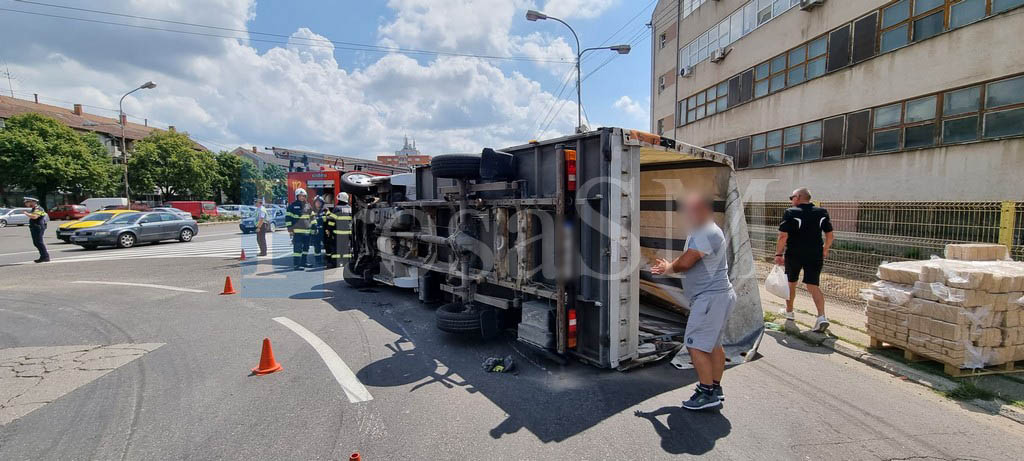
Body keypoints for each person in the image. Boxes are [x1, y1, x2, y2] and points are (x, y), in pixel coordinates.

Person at [651, 193, 736, 411]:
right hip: (715, 297)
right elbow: (688, 258)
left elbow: (687, 262)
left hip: (710, 298)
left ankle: (707, 393)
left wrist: (669, 267)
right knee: (713, 345)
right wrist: (670, 266)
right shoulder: (701, 231)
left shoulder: (708, 232)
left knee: (695, 345)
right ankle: (715, 388)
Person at [774, 187, 834, 332]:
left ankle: (789, 313)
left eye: (792, 197)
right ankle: (821, 317)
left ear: (799, 197)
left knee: (791, 283)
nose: (791, 200)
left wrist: (778, 254)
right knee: (813, 285)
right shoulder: (822, 212)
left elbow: (783, 236)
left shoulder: (791, 212)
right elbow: (830, 234)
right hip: (815, 254)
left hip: (795, 254)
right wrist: (825, 249)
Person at [285, 188, 313, 270]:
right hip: (297, 232)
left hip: (307, 231)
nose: (302, 197)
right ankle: (296, 265)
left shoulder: (308, 205)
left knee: (306, 248)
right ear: (297, 196)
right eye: (300, 196)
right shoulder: (292, 206)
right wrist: (290, 229)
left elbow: (312, 217)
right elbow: (288, 218)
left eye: (303, 196)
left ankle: (304, 262)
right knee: (297, 249)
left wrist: (314, 226)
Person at [324, 192, 352, 269]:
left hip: (338, 234)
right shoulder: (350, 209)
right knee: (346, 249)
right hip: (348, 234)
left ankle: (335, 263)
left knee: (336, 249)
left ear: (339, 199)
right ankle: (346, 263)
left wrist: (329, 229)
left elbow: (331, 221)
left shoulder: (337, 209)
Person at [22, 197, 50, 263]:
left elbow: (35, 217)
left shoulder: (39, 208)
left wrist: (26, 213)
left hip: (38, 227)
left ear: (33, 202)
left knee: (39, 242)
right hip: (35, 227)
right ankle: (43, 256)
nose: (26, 204)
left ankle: (45, 257)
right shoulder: (34, 209)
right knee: (36, 243)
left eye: (27, 202)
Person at [309, 195, 327, 267]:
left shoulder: (325, 210)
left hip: (324, 231)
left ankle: (327, 259)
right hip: (315, 232)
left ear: (322, 203)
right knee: (317, 247)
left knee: (327, 245)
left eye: (320, 202)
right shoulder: (311, 211)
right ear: (314, 203)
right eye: (317, 202)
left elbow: (328, 219)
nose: (318, 203)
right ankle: (318, 261)